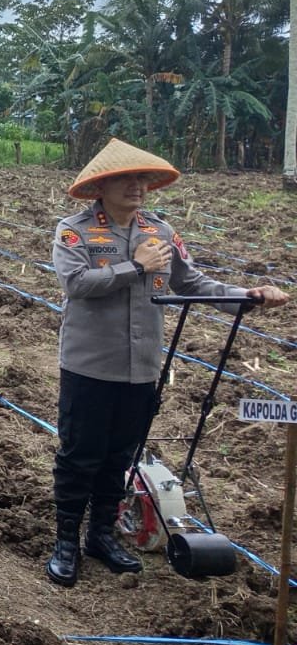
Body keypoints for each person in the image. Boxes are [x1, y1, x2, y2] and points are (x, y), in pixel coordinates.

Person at [47, 138, 287, 586]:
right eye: (126, 178)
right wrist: (134, 267)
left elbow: (192, 280)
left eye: (143, 179)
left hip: (142, 366)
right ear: (102, 186)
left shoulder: (160, 232)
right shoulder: (75, 231)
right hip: (90, 365)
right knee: (81, 454)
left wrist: (245, 297)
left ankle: (101, 534)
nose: (137, 187)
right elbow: (76, 284)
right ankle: (65, 540)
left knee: (121, 455)